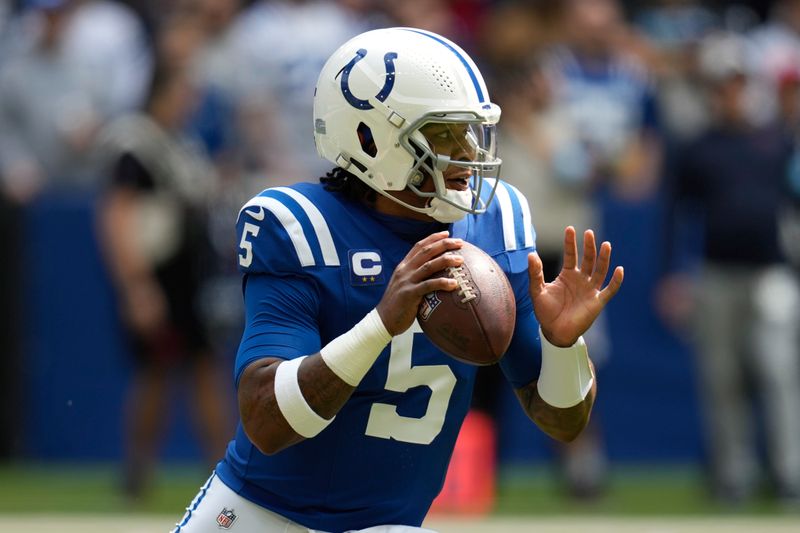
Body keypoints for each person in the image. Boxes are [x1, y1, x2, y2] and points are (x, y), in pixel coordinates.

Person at [172, 27, 623, 532]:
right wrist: (380, 324)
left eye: (472, 133)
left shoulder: (496, 223)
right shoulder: (301, 226)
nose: (470, 156)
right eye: (446, 135)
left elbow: (562, 420)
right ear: (369, 139)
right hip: (263, 516)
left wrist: (562, 346)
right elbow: (265, 423)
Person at [658, 33, 800, 504]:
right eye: (721, 84)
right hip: (717, 274)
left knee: (779, 373)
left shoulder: (777, 140)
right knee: (722, 378)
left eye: (736, 82)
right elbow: (674, 214)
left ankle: (788, 473)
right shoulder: (699, 147)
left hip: (770, 273)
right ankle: (732, 474)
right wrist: (672, 274)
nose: (730, 92)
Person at [97, 60, 232, 501]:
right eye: (182, 91)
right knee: (157, 371)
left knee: (202, 368)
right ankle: (138, 473)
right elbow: (116, 215)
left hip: (189, 277)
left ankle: (220, 471)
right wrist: (136, 285)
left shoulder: (179, 142)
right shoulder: (136, 142)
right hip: (160, 274)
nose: (189, 101)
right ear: (161, 91)